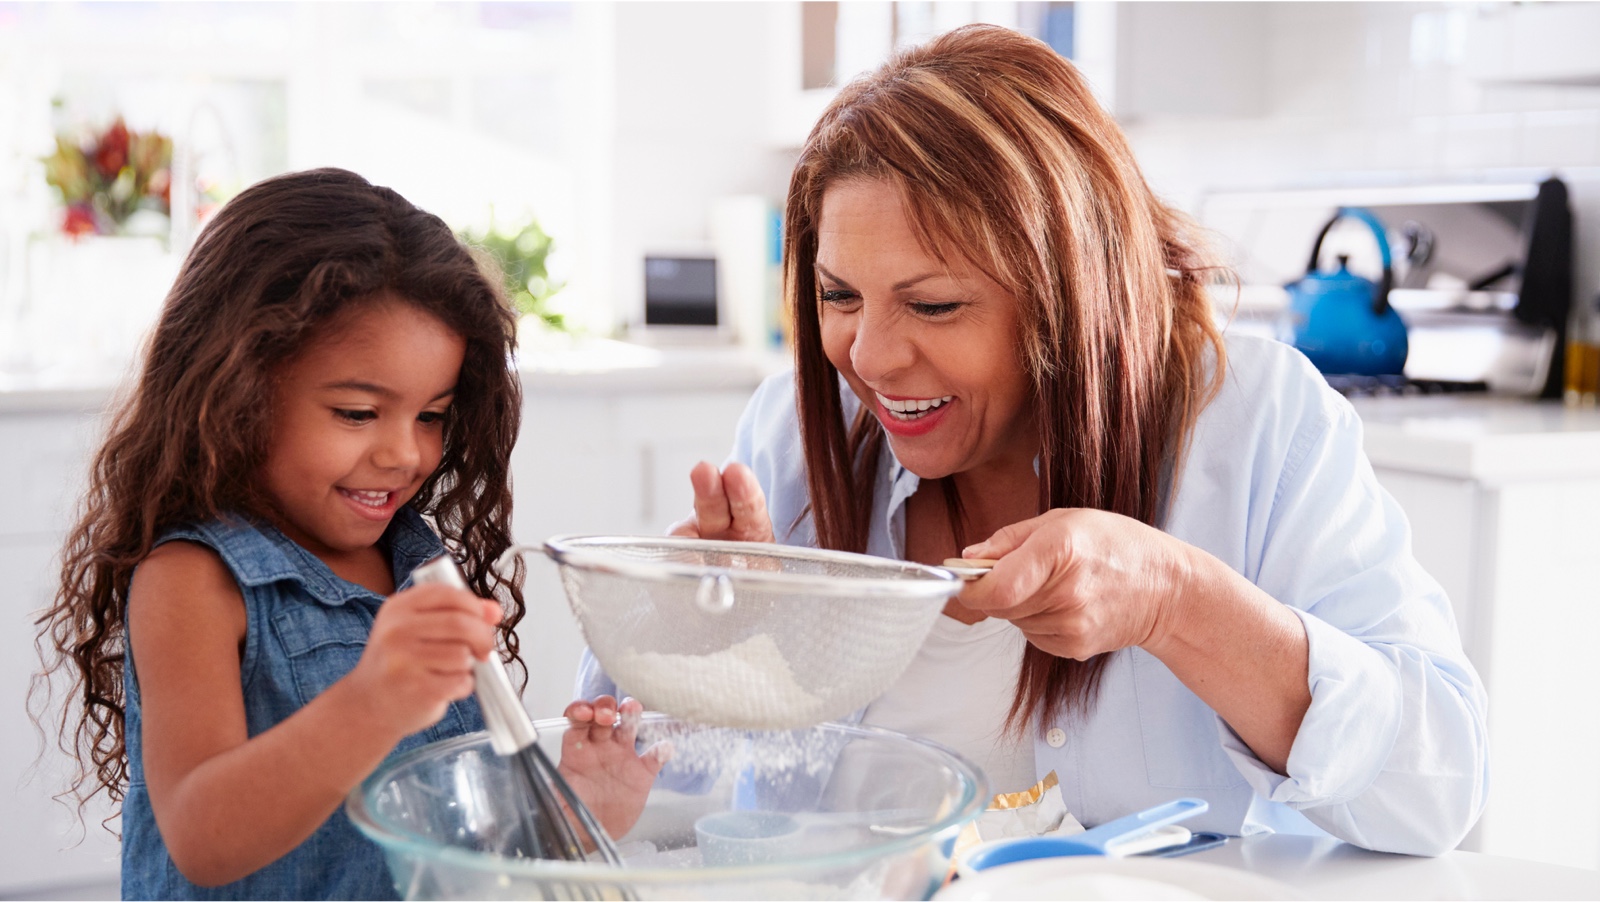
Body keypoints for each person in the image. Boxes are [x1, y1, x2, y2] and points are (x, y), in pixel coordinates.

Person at [587, 25, 1488, 856]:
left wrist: (1176, 602)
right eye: (838, 297)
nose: (868, 357)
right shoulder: (798, 431)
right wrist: (690, 637)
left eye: (933, 304)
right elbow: (649, 815)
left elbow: (1436, 791)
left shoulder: (1255, 422)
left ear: (1071, 292)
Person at [35, 168, 665, 900]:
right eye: (359, 414)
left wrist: (572, 810)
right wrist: (371, 703)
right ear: (236, 392)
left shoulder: (416, 563)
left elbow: (455, 845)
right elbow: (203, 837)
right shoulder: (195, 581)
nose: (405, 453)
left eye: (431, 416)